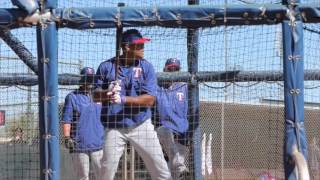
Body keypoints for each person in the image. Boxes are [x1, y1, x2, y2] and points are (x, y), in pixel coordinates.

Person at [95, 29, 171, 180]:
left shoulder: (146, 67)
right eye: (139, 45)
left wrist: (123, 99)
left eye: (143, 44)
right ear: (127, 47)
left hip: (140, 124)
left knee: (161, 170)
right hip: (114, 127)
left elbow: (149, 99)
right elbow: (94, 96)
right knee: (105, 172)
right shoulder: (106, 66)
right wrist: (107, 93)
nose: (143, 48)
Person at [61, 67, 104, 180]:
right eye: (87, 79)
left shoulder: (100, 95)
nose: (89, 82)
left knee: (104, 176)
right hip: (79, 145)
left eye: (91, 79)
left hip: (99, 144)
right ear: (82, 80)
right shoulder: (72, 97)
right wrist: (66, 137)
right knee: (82, 177)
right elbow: (66, 119)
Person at [156, 58, 189, 179]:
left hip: (182, 136)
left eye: (176, 69)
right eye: (170, 69)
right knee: (163, 130)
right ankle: (179, 166)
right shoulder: (158, 87)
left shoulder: (185, 87)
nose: (173, 72)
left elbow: (192, 112)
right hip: (164, 135)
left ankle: (178, 166)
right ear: (164, 70)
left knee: (173, 175)